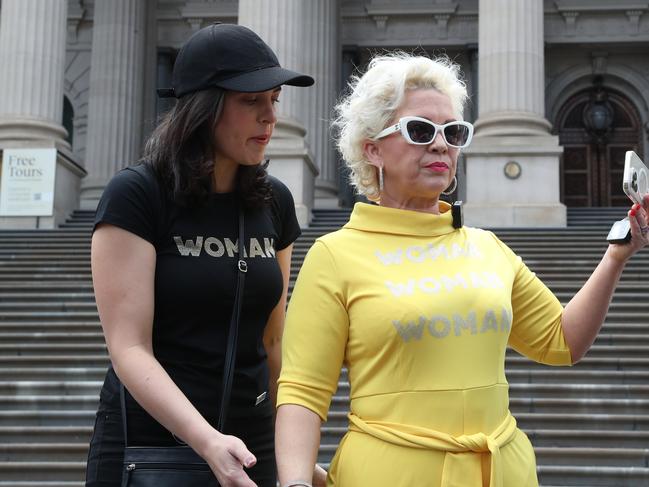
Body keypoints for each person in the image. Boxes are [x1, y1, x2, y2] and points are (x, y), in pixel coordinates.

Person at [274, 53, 649, 487]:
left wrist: (616, 256)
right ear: (371, 148)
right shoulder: (334, 255)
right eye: (419, 130)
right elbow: (302, 393)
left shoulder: (487, 246)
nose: (440, 145)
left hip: (505, 474)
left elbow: (562, 341)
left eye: (452, 132)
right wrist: (297, 483)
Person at [85, 23, 314, 487]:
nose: (270, 116)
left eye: (274, 99)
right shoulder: (138, 194)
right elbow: (129, 347)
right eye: (251, 101)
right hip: (153, 446)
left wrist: (293, 451)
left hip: (251, 445)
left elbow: (273, 343)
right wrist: (206, 440)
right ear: (203, 109)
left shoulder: (275, 202)